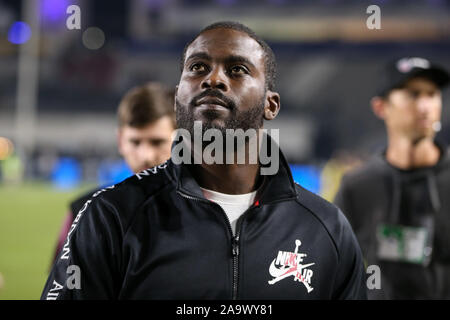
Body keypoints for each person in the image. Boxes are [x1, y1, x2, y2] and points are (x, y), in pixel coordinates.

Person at [41, 21, 367, 300]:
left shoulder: (326, 229)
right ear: (177, 97)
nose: (213, 79)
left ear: (271, 105)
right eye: (198, 67)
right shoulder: (110, 217)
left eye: (237, 69)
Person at [334, 57, 450, 299]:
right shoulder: (358, 186)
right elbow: (333, 266)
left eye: (432, 94)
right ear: (381, 107)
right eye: (413, 94)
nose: (425, 106)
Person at [51, 82, 176, 263]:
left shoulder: (207, 209)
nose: (145, 156)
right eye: (135, 142)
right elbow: (62, 286)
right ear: (120, 141)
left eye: (157, 142)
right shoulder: (85, 210)